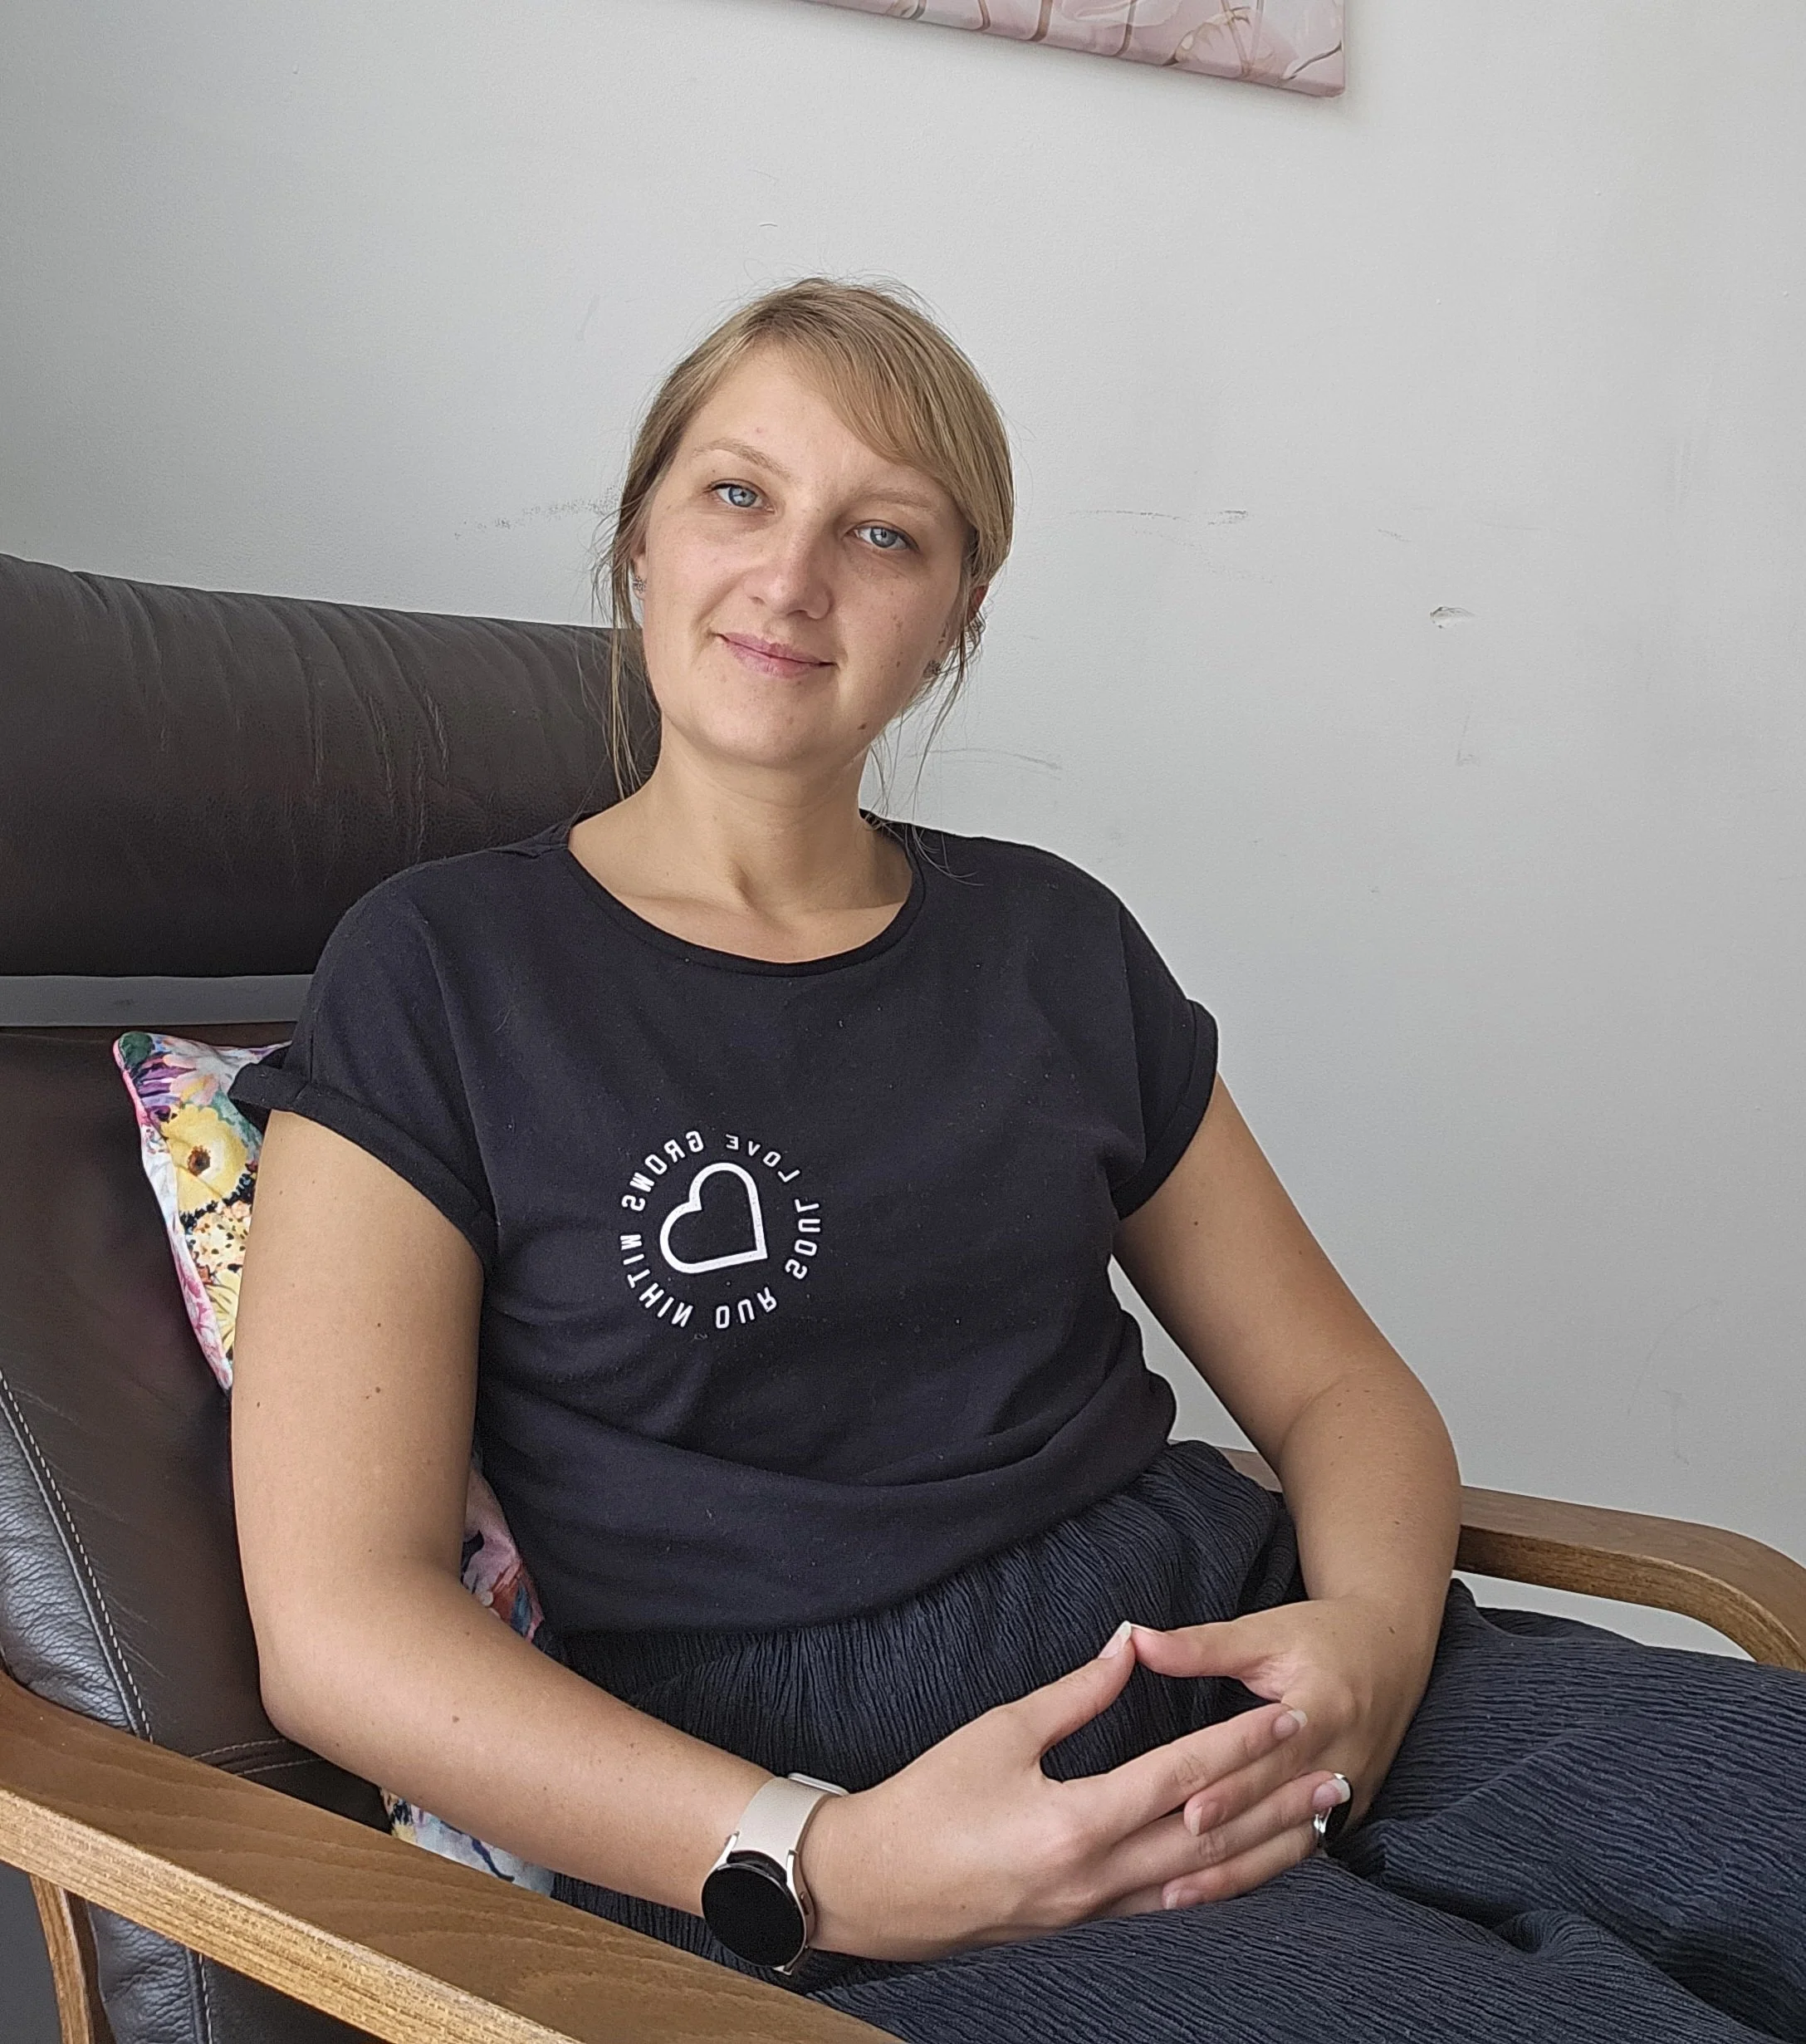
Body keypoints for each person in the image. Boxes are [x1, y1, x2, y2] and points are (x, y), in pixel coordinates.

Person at [227, 277, 1806, 2044]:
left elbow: (1340, 1385)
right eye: (737, 495)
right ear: (638, 545)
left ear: (956, 616)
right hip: (815, 1778)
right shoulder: (441, 969)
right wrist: (819, 1865)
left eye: (881, 534)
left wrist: (1365, 1641)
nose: (794, 576)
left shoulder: (1052, 942)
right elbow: (341, 1621)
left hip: (1225, 1630)